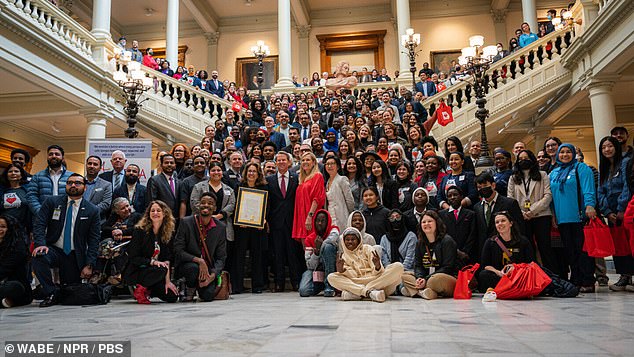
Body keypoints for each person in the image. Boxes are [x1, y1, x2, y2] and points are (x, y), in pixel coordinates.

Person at [31, 173, 101, 307]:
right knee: (39, 256)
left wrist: (89, 264)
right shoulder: (52, 202)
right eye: (70, 183)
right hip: (54, 249)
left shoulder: (93, 210)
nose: (73, 185)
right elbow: (40, 224)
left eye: (77, 183)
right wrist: (40, 244)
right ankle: (50, 292)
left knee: (70, 293)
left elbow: (94, 240)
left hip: (74, 255)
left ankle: (58, 292)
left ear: (85, 188)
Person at [550, 143, 597, 292]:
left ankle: (587, 280)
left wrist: (590, 205)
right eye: (562, 152)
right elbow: (551, 196)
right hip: (562, 218)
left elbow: (588, 188)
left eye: (568, 152)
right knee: (570, 251)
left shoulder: (581, 168)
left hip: (579, 216)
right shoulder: (554, 172)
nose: (565, 155)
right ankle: (576, 279)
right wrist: (553, 216)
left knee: (583, 251)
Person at [507, 150, 558, 275]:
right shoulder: (513, 178)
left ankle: (552, 276)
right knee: (527, 248)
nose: (524, 160)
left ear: (532, 159)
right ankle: (532, 276)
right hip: (522, 217)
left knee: (545, 247)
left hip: (541, 215)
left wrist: (532, 210)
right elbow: (510, 198)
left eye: (526, 158)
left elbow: (548, 195)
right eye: (520, 159)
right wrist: (522, 213)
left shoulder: (543, 175)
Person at [173, 193, 227, 302]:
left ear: (215, 208)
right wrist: (199, 261)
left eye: (210, 203)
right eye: (203, 203)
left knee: (208, 296)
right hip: (188, 266)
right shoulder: (186, 222)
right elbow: (178, 250)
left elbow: (221, 257)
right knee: (194, 268)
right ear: (198, 205)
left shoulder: (220, 227)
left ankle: (201, 287)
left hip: (207, 270)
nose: (206, 205)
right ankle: (189, 288)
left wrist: (212, 276)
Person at [327, 227, 404, 302]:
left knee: (398, 266)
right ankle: (369, 293)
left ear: (359, 240)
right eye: (347, 240)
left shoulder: (368, 248)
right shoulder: (343, 256)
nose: (350, 242)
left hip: (376, 281)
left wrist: (377, 266)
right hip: (357, 282)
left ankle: (358, 293)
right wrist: (342, 270)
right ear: (343, 242)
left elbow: (378, 272)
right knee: (331, 277)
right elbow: (354, 276)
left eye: (353, 239)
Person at [123, 201, 179, 304]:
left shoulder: (167, 231)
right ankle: (140, 290)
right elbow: (134, 257)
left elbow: (167, 258)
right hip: (138, 270)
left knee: (172, 297)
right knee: (160, 269)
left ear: (164, 213)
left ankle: (149, 290)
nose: (155, 213)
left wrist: (168, 282)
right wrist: (153, 262)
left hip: (157, 273)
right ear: (148, 214)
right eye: (152, 211)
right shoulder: (140, 230)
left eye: (158, 210)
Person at [596, 137, 633, 291]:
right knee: (618, 246)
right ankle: (624, 276)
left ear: (616, 147)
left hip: (625, 211)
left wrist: (621, 209)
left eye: (610, 146)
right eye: (604, 147)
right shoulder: (604, 168)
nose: (607, 150)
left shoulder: (625, 163)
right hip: (611, 214)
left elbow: (627, 186)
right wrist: (607, 211)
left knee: (629, 243)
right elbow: (600, 191)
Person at [267, 151, 303, 292]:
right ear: (275, 163)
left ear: (289, 162)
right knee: (278, 254)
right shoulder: (269, 180)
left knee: (293, 253)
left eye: (284, 160)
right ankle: (279, 283)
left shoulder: (296, 178)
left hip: (292, 221)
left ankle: (296, 282)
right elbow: (268, 202)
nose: (281, 162)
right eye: (279, 160)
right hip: (275, 223)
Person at [401, 210, 458, 299]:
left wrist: (426, 279)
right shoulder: (420, 243)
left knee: (434, 280)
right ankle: (427, 293)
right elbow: (418, 265)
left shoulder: (447, 241)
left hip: (445, 278)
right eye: (423, 222)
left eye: (430, 221)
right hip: (426, 278)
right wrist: (419, 278)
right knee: (404, 275)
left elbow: (448, 268)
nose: (426, 224)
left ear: (437, 223)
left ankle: (415, 291)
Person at [233, 163, 268, 294]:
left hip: (258, 227)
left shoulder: (264, 187)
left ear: (258, 174)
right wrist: (239, 218)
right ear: (245, 173)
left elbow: (268, 205)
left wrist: (263, 219)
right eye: (249, 171)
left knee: (257, 256)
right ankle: (237, 286)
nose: (251, 173)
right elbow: (236, 204)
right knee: (239, 256)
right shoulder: (239, 186)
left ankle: (258, 286)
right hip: (242, 226)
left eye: (254, 171)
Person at [478, 211, 535, 291]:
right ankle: (511, 289)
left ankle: (504, 289)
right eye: (497, 222)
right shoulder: (490, 242)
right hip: (500, 276)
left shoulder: (523, 241)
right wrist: (498, 272)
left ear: (511, 223)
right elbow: (485, 266)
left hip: (518, 275)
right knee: (483, 275)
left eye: (503, 220)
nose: (500, 224)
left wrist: (516, 268)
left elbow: (531, 264)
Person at [473, 172, 524, 255]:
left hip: (508, 249)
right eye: (479, 187)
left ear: (493, 185)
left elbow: (520, 228)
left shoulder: (510, 203)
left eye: (485, 186)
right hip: (486, 250)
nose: (482, 189)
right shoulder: (476, 207)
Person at [299, 210, 339, 297]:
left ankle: (329, 286)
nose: (320, 223)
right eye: (317, 221)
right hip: (316, 269)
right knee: (304, 291)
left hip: (331, 268)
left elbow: (332, 240)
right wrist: (316, 252)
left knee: (328, 247)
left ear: (328, 222)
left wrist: (321, 246)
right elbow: (310, 266)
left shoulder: (334, 230)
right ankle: (321, 285)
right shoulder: (309, 239)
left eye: (323, 221)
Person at [27, 145, 73, 214]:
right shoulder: (37, 176)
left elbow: (76, 196)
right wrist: (40, 212)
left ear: (62, 158)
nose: (53, 156)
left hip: (65, 215)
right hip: (43, 216)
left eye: (57, 154)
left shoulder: (71, 176)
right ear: (47, 157)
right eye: (50, 154)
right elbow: (31, 196)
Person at [439, 186, 478, 265]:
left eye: (455, 195)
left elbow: (472, 234)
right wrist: (455, 251)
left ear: (461, 196)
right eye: (449, 196)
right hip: (448, 254)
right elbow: (442, 234)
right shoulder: (441, 214)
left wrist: (465, 252)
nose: (452, 197)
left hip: (467, 255)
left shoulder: (470, 214)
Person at [0, 215, 33, 308]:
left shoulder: (18, 248)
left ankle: (8, 301)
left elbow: (3, 270)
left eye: (3, 227)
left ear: (10, 229)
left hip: (14, 285)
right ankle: (5, 302)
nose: (0, 229)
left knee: (14, 287)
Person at [292, 152, 326, 241]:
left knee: (312, 246)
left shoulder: (317, 176)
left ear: (314, 162)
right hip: (301, 216)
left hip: (311, 215)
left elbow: (317, 198)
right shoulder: (301, 179)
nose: (305, 162)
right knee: (305, 248)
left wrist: (310, 216)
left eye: (308, 160)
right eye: (303, 160)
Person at [324, 156, 355, 230]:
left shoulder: (342, 179)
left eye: (332, 164)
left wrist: (347, 215)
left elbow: (350, 201)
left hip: (342, 216)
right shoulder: (327, 182)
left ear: (338, 167)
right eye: (327, 164)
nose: (329, 166)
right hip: (330, 216)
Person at [146, 154, 181, 219]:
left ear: (175, 165)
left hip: (176, 219)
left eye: (172, 163)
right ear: (161, 165)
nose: (169, 164)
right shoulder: (154, 180)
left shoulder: (179, 182)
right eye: (166, 162)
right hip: (161, 218)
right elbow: (151, 202)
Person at [1, 164, 31, 230]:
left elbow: (30, 211)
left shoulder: (27, 191)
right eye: (10, 171)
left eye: (16, 171)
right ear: (7, 175)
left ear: (21, 175)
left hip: (21, 229)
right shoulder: (2, 191)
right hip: (4, 229)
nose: (13, 173)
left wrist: (31, 229)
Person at [83, 156, 113, 222]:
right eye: (89, 163)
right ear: (86, 165)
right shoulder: (78, 182)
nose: (92, 166)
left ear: (100, 168)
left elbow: (106, 204)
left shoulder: (106, 185)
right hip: (77, 220)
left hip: (97, 221)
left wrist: (87, 211)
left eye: (95, 164)